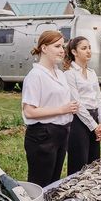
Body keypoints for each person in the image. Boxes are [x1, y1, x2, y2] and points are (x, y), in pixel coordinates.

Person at [22, 30, 78, 187]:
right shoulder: (35, 76)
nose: (62, 50)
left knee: (53, 183)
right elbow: (29, 111)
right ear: (44, 48)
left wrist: (71, 107)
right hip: (43, 136)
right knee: (40, 184)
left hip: (61, 133)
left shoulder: (60, 74)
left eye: (63, 46)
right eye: (57, 46)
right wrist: (62, 109)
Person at [64, 36, 101, 175]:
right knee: (79, 164)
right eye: (84, 48)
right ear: (74, 52)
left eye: (89, 48)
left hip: (95, 119)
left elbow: (99, 98)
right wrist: (94, 126)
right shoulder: (69, 74)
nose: (89, 51)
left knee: (94, 163)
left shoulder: (92, 73)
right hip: (78, 121)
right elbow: (77, 104)